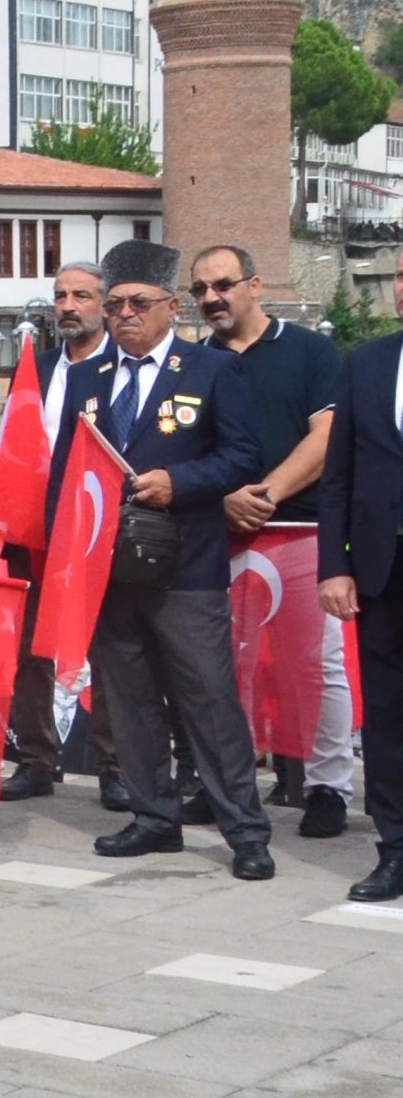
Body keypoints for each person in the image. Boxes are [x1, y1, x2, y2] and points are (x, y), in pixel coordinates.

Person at [83, 241, 275, 880]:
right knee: (129, 697)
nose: (124, 315)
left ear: (171, 306)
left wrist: (181, 481)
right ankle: (153, 816)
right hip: (111, 567)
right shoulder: (90, 378)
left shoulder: (211, 370)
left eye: (138, 303)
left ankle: (245, 831)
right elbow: (70, 472)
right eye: (114, 305)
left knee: (208, 700)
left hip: (186, 563)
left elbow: (244, 457)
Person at [198, 243, 351, 839]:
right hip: (219, 533)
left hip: (302, 529)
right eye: (201, 290)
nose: (213, 298)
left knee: (316, 666)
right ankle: (228, 786)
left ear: (255, 285)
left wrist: (263, 494)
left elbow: (328, 436)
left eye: (224, 284)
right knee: (219, 668)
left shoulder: (310, 350)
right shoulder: (193, 363)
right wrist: (221, 501)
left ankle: (328, 788)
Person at [3, 266, 126, 807]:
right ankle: (35, 759)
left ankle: (116, 766)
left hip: (94, 532)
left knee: (104, 649)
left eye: (82, 295)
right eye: (60, 296)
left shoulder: (118, 368)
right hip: (32, 533)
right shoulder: (38, 367)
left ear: (105, 304)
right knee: (31, 651)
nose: (69, 305)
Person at [318, 256, 403, 903]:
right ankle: (394, 848)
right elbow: (339, 475)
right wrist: (335, 565)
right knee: (388, 716)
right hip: (381, 569)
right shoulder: (367, 363)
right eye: (400, 274)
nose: (402, 287)